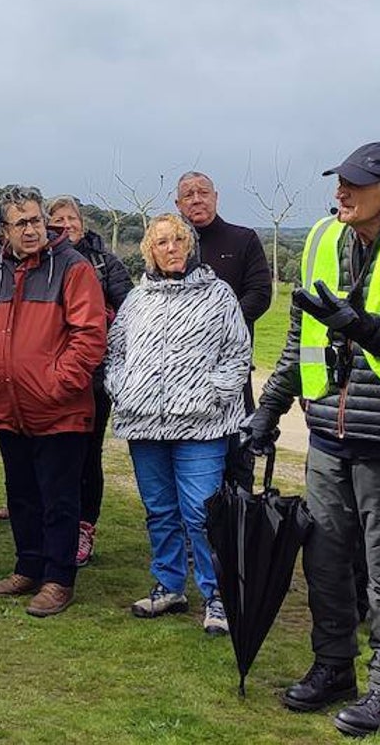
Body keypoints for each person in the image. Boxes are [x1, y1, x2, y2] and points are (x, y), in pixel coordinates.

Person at [241, 142, 380, 736]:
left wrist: (357, 324)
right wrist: (267, 413)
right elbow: (298, 342)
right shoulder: (320, 238)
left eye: (354, 185)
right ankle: (333, 668)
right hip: (328, 437)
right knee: (326, 562)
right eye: (338, 182)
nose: (340, 193)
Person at [0, 187, 106, 617]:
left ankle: (58, 578)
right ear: (3, 230)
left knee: (59, 497)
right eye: (20, 222)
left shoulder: (73, 269)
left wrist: (57, 385)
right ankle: (28, 566)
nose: (31, 229)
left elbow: (89, 336)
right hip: (5, 406)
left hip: (58, 411)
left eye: (36, 220)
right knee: (21, 493)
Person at [105, 213, 250, 636]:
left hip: (201, 426)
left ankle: (217, 595)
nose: (171, 248)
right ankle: (169, 584)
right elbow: (115, 353)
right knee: (160, 510)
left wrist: (210, 393)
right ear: (150, 250)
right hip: (144, 423)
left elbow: (238, 354)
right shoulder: (137, 299)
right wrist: (122, 386)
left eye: (178, 240)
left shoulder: (218, 296)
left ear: (190, 246)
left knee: (202, 513)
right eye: (162, 242)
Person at [47, 195, 134, 566]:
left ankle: (84, 527)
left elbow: (130, 311)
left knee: (87, 455)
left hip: (94, 374)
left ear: (83, 223)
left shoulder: (105, 262)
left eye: (72, 218)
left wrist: (102, 319)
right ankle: (52, 522)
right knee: (52, 453)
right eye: (58, 219)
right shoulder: (43, 262)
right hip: (49, 373)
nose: (66, 224)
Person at [175, 172, 271, 492]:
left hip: (232, 368)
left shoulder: (242, 239)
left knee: (236, 458)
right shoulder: (171, 247)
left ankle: (236, 535)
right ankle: (194, 536)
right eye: (188, 195)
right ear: (178, 204)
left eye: (203, 192)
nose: (196, 199)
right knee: (189, 463)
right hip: (181, 373)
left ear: (216, 196)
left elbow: (259, 294)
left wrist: (215, 330)